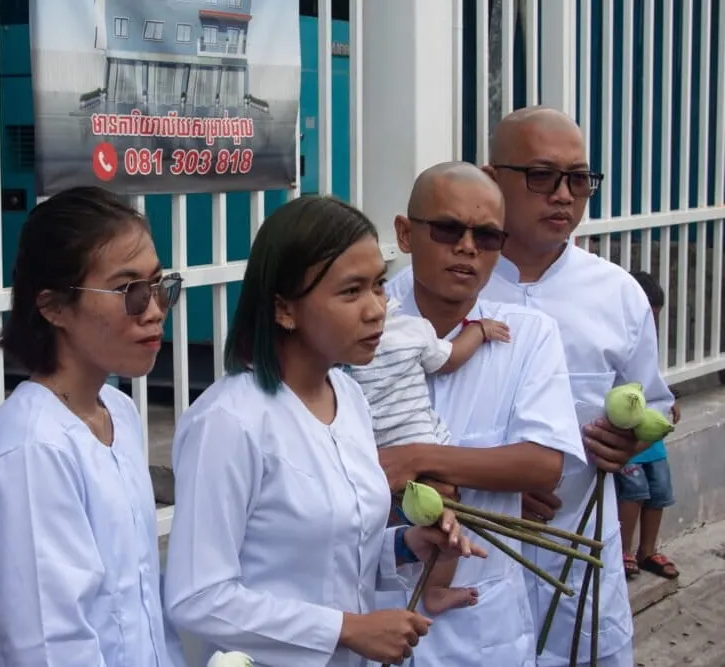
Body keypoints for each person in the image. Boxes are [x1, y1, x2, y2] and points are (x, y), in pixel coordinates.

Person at [162, 195, 486, 667]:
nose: (377, 309)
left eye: (378, 285)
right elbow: (197, 597)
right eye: (351, 292)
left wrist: (407, 545)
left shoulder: (349, 396)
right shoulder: (229, 422)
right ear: (284, 309)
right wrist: (345, 629)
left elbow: (331, 551)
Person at [475, 106, 674, 667]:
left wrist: (627, 441)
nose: (563, 196)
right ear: (492, 179)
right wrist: (489, 488)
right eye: (541, 176)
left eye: (579, 179)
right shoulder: (437, 293)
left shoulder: (618, 294)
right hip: (468, 561)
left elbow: (657, 405)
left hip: (581, 557)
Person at [0, 186, 187, 667]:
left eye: (159, 285)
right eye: (129, 291)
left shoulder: (117, 412)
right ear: (53, 307)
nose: (154, 310)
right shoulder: (31, 451)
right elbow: (48, 646)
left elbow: (142, 605)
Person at [379, 161, 589, 666]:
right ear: (405, 234)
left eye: (488, 236)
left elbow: (544, 465)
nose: (468, 248)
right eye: (448, 229)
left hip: (479, 625)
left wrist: (414, 460)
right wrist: (479, 467)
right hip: (372, 607)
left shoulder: (526, 335)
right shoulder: (364, 325)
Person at [347, 298, 511, 615]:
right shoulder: (413, 329)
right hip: (421, 441)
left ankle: (421, 578)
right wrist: (479, 331)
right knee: (445, 518)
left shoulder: (339, 348)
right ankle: (435, 590)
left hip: (373, 452)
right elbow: (451, 358)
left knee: (402, 518)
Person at [616, 271, 681, 580]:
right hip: (626, 435)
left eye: (654, 318)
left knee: (659, 489)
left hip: (651, 434)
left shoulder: (646, 342)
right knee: (634, 490)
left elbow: (652, 378)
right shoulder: (612, 339)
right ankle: (623, 550)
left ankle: (648, 550)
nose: (651, 325)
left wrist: (669, 398)